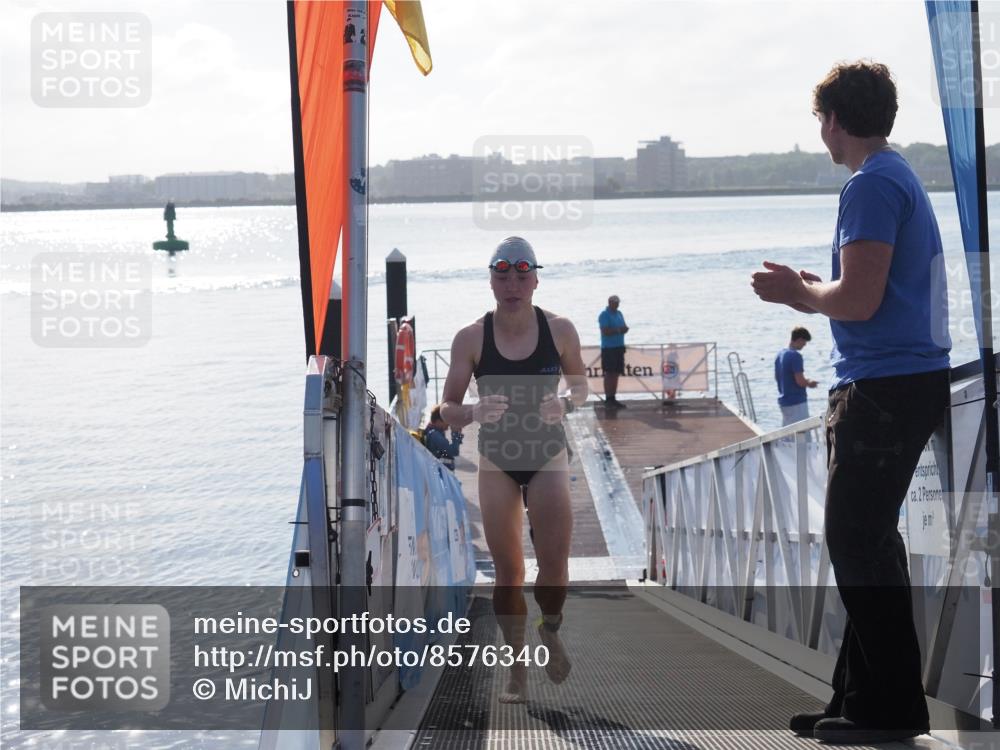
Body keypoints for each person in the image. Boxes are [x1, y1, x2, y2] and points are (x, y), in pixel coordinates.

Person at [752, 61, 950, 744]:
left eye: (821, 121)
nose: (822, 133)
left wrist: (797, 293)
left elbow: (859, 301)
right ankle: (860, 700)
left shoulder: (870, 184)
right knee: (869, 543)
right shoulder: (896, 176)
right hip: (899, 380)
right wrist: (816, 291)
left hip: (885, 386)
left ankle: (891, 710)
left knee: (856, 540)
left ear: (834, 120)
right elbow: (868, 292)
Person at [441, 236, 588, 703]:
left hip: (547, 456)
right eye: (502, 275)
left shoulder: (560, 329)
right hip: (497, 461)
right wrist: (472, 412)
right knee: (509, 573)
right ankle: (518, 668)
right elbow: (446, 408)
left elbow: (581, 388)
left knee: (554, 567)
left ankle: (550, 628)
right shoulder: (471, 337)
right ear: (490, 280)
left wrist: (565, 404)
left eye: (522, 276)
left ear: (536, 281)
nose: (512, 285)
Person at [774, 326, 818, 426]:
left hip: (784, 402)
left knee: (789, 433)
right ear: (799, 339)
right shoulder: (795, 356)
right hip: (797, 401)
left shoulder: (780, 354)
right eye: (804, 342)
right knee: (803, 432)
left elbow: (777, 377)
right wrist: (810, 383)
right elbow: (800, 382)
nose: (804, 345)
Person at [598, 295, 629, 407]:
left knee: (616, 373)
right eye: (615, 302)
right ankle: (608, 398)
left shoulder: (619, 313)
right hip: (609, 348)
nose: (617, 304)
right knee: (609, 373)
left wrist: (622, 329)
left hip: (619, 347)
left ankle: (613, 398)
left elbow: (624, 327)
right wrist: (619, 330)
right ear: (610, 302)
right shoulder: (604, 315)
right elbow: (605, 331)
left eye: (618, 302)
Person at [423, 404, 463, 471]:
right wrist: (455, 433)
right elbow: (454, 452)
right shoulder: (435, 435)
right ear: (439, 421)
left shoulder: (433, 431)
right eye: (447, 421)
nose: (448, 425)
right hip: (437, 471)